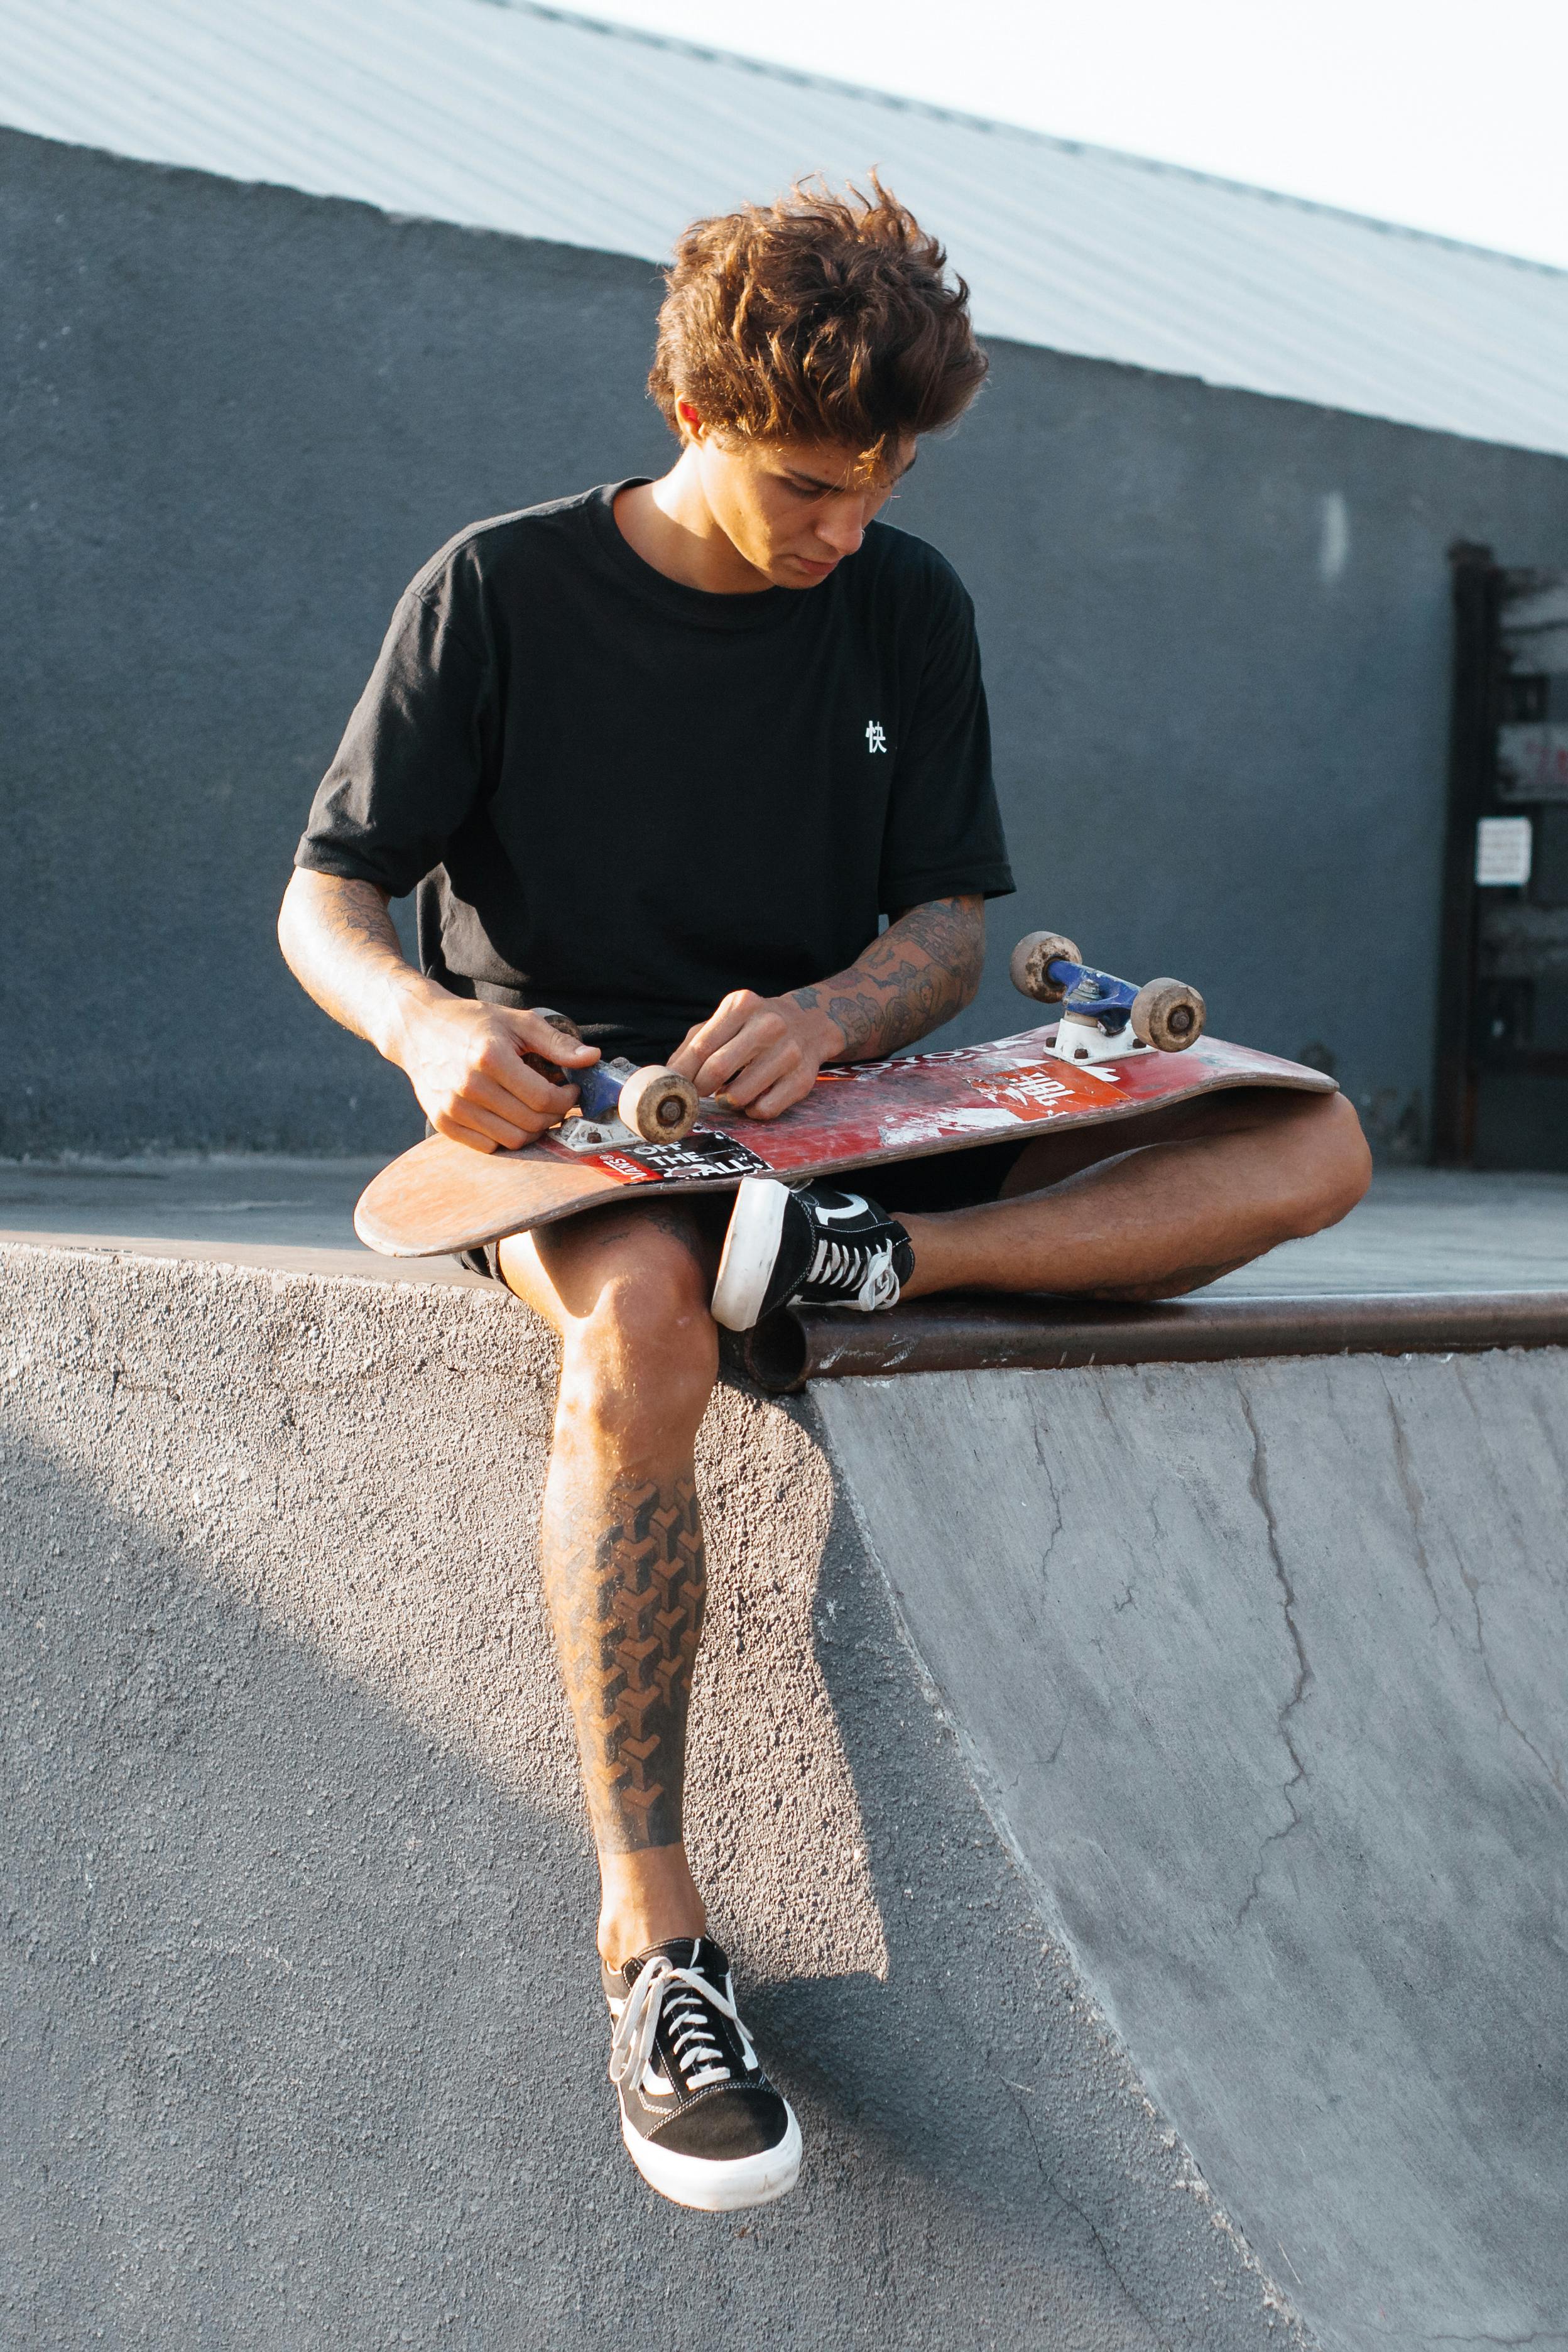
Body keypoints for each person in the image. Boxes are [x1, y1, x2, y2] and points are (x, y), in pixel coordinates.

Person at [278, 178, 1370, 2216]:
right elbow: (326, 894)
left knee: (1312, 1140)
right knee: (645, 1328)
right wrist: (427, 1028)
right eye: (805, 486)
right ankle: (655, 1945)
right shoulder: (497, 589)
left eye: (881, 487)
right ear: (691, 408)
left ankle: (883, 1264)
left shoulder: (907, 606)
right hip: (587, 1112)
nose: (843, 529)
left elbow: (946, 925)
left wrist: (843, 1012)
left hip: (844, 1128)